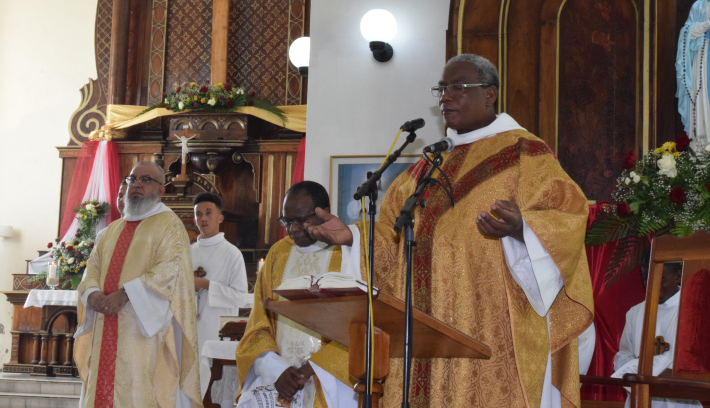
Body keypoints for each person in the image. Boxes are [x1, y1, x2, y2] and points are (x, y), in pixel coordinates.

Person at [305, 54, 595, 408]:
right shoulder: (427, 165)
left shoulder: (526, 155)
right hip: (419, 334)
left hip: (488, 325)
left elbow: (567, 218)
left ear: (490, 94)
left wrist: (525, 230)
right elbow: (392, 237)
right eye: (441, 89)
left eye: (458, 87)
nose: (445, 97)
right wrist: (353, 236)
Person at [74, 160, 201, 407]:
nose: (136, 185)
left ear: (161, 190)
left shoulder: (169, 226)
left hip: (142, 332)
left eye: (146, 180)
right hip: (105, 324)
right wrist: (92, 294)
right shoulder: (111, 230)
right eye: (132, 179)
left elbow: (169, 271)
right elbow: (93, 267)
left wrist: (125, 294)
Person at [236, 181, 362, 408]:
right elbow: (258, 324)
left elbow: (357, 325)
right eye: (288, 221)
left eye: (303, 220)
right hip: (280, 378)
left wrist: (312, 369)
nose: (293, 229)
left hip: (330, 378)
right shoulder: (278, 254)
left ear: (324, 215)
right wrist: (279, 370)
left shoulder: (346, 253)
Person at [614, 257, 699, 408]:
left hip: (679, 401)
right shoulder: (635, 312)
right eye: (646, 279)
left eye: (661, 279)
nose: (651, 285)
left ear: (678, 276)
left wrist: (669, 374)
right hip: (641, 399)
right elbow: (623, 355)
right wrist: (636, 368)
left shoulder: (695, 311)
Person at [191, 192, 248, 403]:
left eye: (208, 213)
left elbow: (241, 297)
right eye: (198, 214)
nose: (203, 218)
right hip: (190, 330)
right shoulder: (188, 252)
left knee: (212, 394)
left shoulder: (232, 254)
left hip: (216, 330)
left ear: (220, 217)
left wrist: (207, 285)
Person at [676, 0, 710, 145]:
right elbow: (686, 33)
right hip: (703, 57)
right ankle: (703, 148)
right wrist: (705, 25)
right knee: (701, 96)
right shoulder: (698, 7)